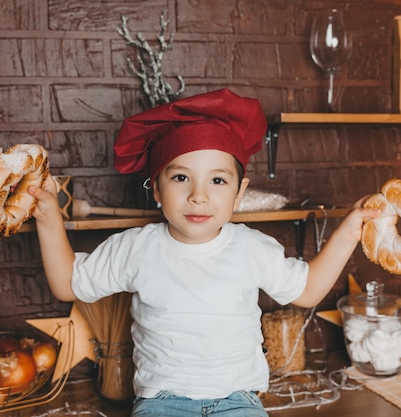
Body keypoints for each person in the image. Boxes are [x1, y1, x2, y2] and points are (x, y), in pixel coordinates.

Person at [28, 88, 379, 417]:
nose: (199, 195)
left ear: (239, 193)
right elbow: (68, 283)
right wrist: (47, 215)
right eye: (181, 178)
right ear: (156, 189)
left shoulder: (251, 248)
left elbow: (309, 290)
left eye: (218, 180)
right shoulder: (136, 247)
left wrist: (350, 229)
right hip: (162, 404)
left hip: (238, 403)